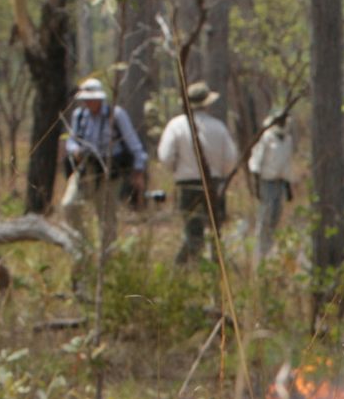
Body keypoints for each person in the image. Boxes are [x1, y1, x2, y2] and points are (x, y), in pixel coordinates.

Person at [155, 82, 241, 264]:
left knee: (193, 230)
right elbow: (231, 159)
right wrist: (220, 175)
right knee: (215, 231)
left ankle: (190, 269)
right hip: (214, 184)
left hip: (187, 185)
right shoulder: (218, 127)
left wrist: (178, 171)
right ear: (207, 103)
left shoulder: (176, 125)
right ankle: (198, 268)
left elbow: (165, 156)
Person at [60, 77, 147, 247]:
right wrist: (74, 150)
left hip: (109, 172)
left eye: (92, 99)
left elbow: (134, 145)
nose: (89, 102)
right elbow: (71, 141)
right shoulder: (79, 116)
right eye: (86, 99)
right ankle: (82, 249)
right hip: (85, 169)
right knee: (69, 205)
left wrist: (138, 171)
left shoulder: (116, 115)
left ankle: (107, 256)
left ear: (100, 98)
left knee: (106, 217)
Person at [248, 111, 296, 260]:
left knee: (276, 216)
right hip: (266, 182)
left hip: (280, 183)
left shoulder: (288, 139)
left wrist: (288, 187)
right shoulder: (266, 137)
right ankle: (259, 254)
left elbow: (286, 164)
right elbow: (256, 162)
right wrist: (256, 186)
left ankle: (269, 252)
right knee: (265, 217)